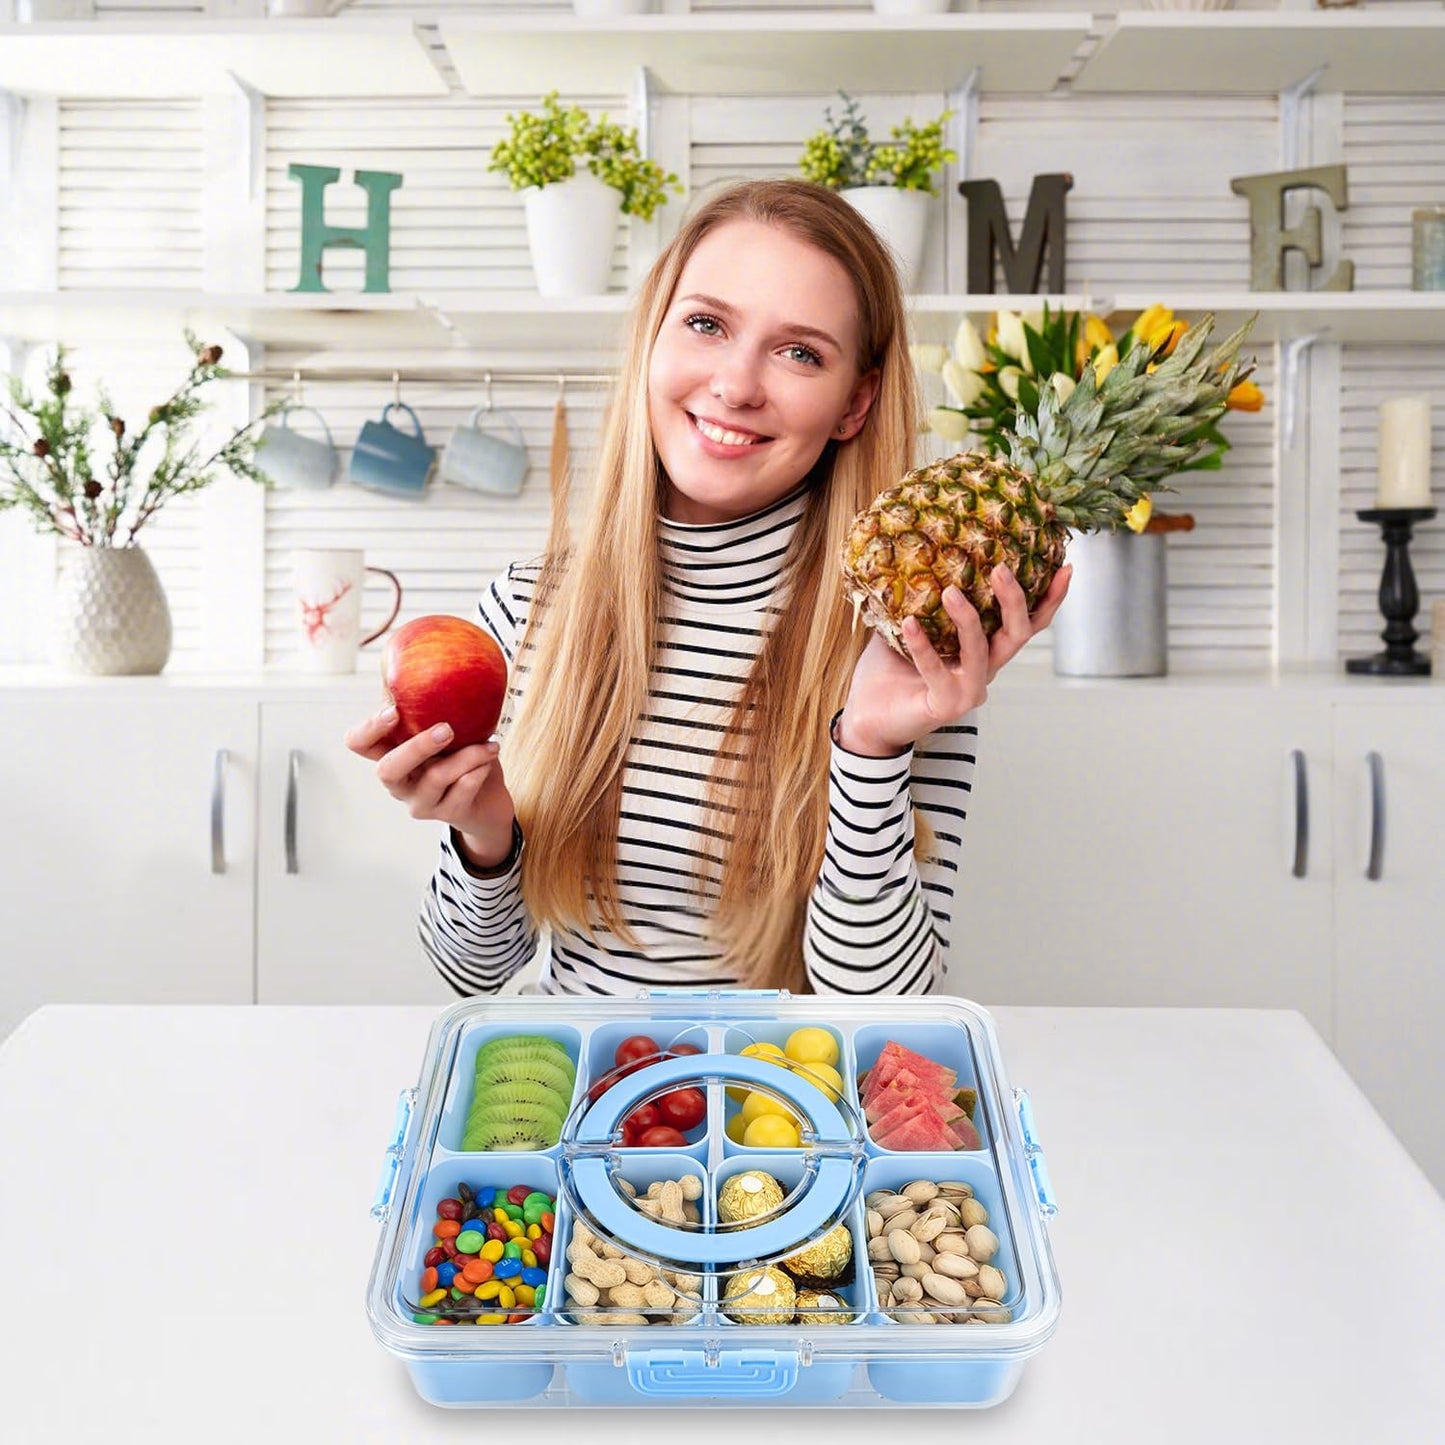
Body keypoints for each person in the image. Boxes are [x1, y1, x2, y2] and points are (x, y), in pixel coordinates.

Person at [346, 178, 1069, 998]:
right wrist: (484, 836)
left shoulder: (903, 648)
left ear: (854, 402)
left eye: (800, 353)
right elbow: (469, 971)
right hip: (584, 1073)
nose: (735, 384)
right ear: (652, 337)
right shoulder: (526, 609)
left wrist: (870, 749)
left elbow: (883, 1009)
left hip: (783, 1080)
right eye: (706, 324)